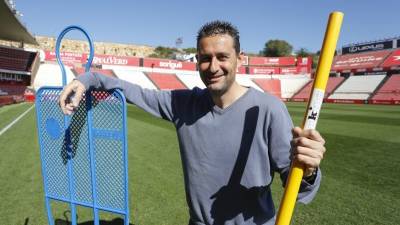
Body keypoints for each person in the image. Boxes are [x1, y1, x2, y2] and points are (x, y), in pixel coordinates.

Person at [59, 20, 326, 225]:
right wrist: (87, 80)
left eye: (222, 57)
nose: (213, 66)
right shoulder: (183, 104)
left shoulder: (270, 109)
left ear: (239, 60)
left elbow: (294, 181)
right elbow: (132, 91)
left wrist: (309, 170)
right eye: (205, 58)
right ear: (197, 61)